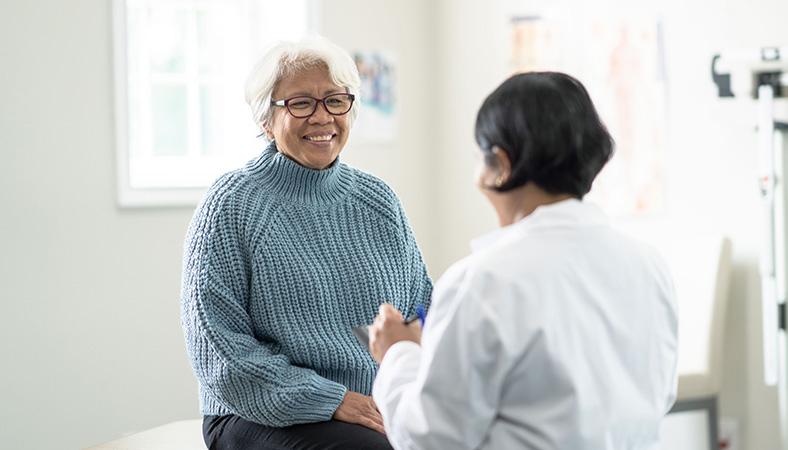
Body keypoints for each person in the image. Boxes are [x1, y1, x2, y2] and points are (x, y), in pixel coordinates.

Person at [368, 72, 678, 449]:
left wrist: (398, 353)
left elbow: (431, 439)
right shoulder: (649, 265)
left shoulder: (482, 281)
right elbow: (659, 396)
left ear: (500, 165)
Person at [181, 37, 432, 450]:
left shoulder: (378, 200)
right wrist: (330, 399)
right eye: (301, 104)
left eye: (335, 100)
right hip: (254, 410)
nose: (322, 118)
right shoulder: (232, 205)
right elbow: (221, 351)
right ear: (266, 119)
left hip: (374, 404)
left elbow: (421, 309)